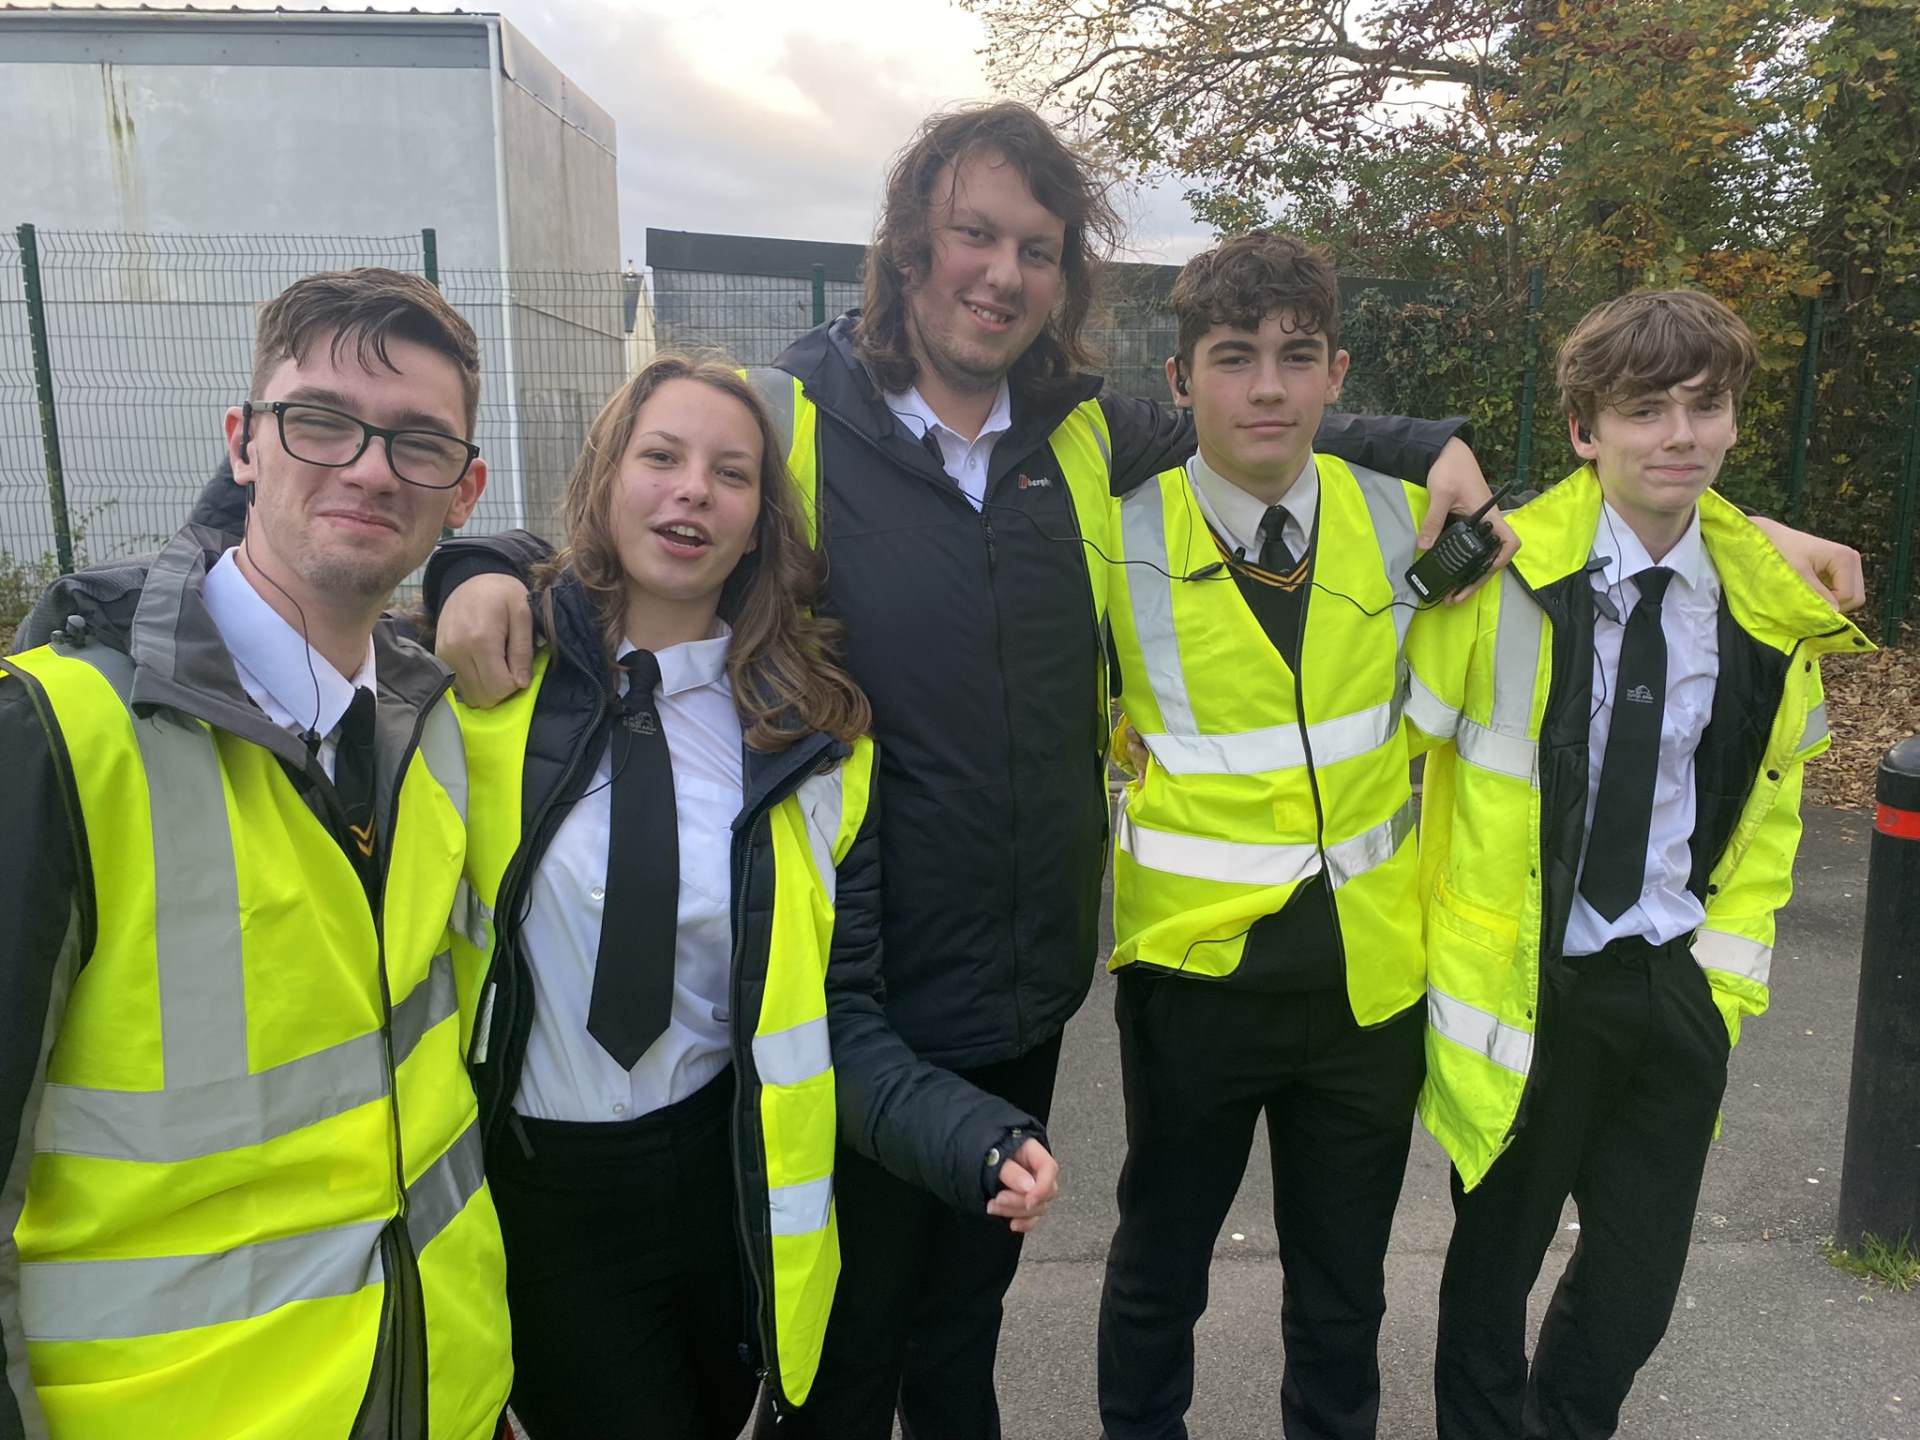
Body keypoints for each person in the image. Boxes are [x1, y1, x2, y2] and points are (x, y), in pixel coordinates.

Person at [430, 102, 1861, 1440]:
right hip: (868, 967)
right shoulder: (799, 410)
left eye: (1035, 248)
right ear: (908, 247)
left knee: (976, 1330)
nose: (1001, 272)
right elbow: (658, 492)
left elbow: (1330, 443)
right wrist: (483, 563)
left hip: (1053, 976)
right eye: (973, 234)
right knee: (847, 1339)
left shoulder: (1081, 434)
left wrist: (1729, 532)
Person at [452, 354, 1060, 1439]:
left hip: (721, 1189)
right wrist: (467, 566)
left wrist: (971, 1134)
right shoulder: (485, 686)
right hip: (544, 1195)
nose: (693, 490)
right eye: (661, 457)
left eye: (731, 473)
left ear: (758, 525)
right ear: (604, 480)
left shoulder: (814, 745)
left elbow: (838, 1017)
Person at [0, 270, 509, 1437]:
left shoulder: (429, 724)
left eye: (420, 443)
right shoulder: (56, 739)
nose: (371, 468)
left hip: (445, 1392)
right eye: (322, 421)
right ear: (242, 443)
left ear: (464, 491)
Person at [1402, 289, 1871, 1440]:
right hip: (1528, 990)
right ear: (1584, 429)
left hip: (1671, 986)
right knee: (1491, 1277)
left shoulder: (1771, 610)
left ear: (1734, 420)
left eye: (1706, 408)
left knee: (1635, 1288)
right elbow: (1382, 745)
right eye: (1646, 410)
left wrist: (1717, 988)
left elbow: (1771, 815)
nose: (1680, 435)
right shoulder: (1499, 581)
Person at [1095, 232, 1444, 1440]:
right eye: (1234, 357)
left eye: (1298, 357)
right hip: (1195, 978)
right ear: (1180, 379)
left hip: (1368, 983)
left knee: (1345, 1292)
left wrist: (1762, 538)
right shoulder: (1112, 531)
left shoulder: (1407, 515)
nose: (1268, 389)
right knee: (1160, 1270)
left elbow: (1590, 534)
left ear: (1338, 374)